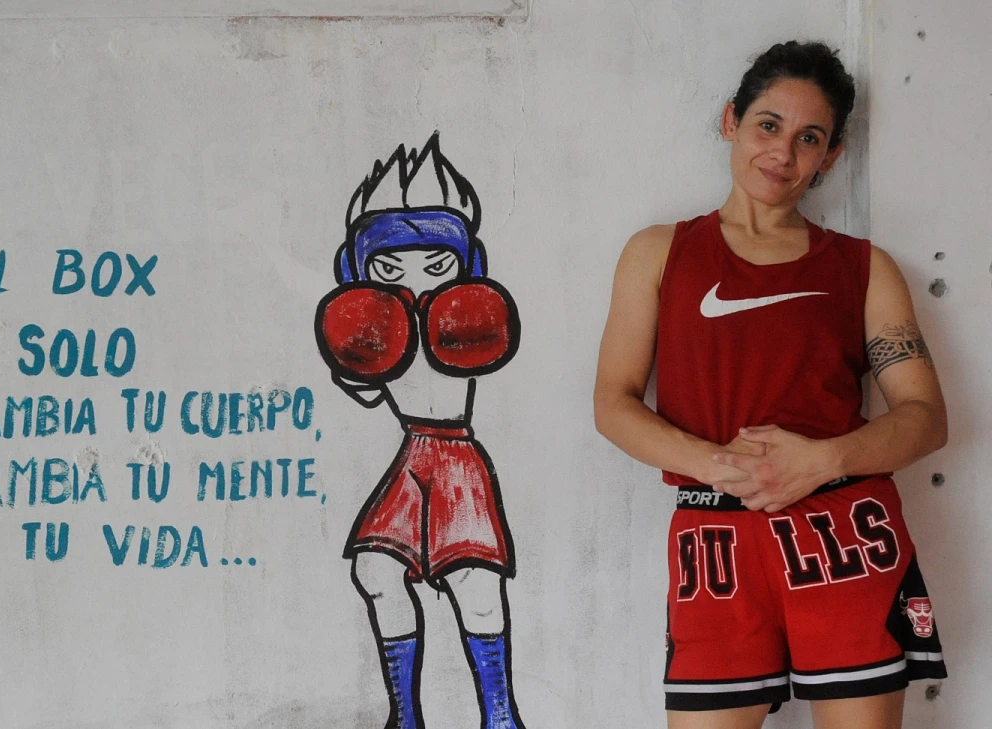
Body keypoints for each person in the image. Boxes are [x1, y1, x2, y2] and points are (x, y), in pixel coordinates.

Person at [593, 41, 948, 729]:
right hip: (715, 544)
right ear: (731, 120)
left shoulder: (864, 268)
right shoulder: (659, 251)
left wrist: (820, 461)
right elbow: (613, 402)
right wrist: (727, 467)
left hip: (846, 537)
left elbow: (926, 417)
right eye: (768, 124)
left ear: (831, 156)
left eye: (809, 137)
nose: (783, 152)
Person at [315, 133, 526, 729]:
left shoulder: (461, 317)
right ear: (364, 267)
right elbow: (365, 385)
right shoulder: (380, 323)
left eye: (437, 265)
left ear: (464, 265)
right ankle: (405, 716)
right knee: (375, 571)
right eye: (392, 265)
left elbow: (475, 356)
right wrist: (356, 357)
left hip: (456, 458)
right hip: (413, 456)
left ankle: (500, 715)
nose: (416, 276)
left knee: (474, 581)